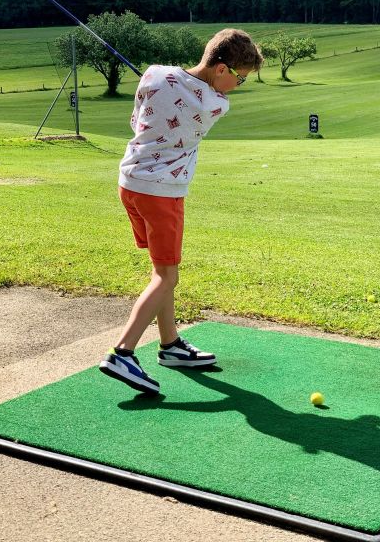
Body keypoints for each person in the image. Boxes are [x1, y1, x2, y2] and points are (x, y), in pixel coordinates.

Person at [99, 28, 264, 394]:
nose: (237, 86)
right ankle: (122, 352)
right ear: (220, 69)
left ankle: (170, 343)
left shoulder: (154, 73)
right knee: (167, 278)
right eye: (239, 78)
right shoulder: (215, 104)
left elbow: (136, 121)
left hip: (130, 183)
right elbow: (195, 97)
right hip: (162, 193)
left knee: (161, 269)